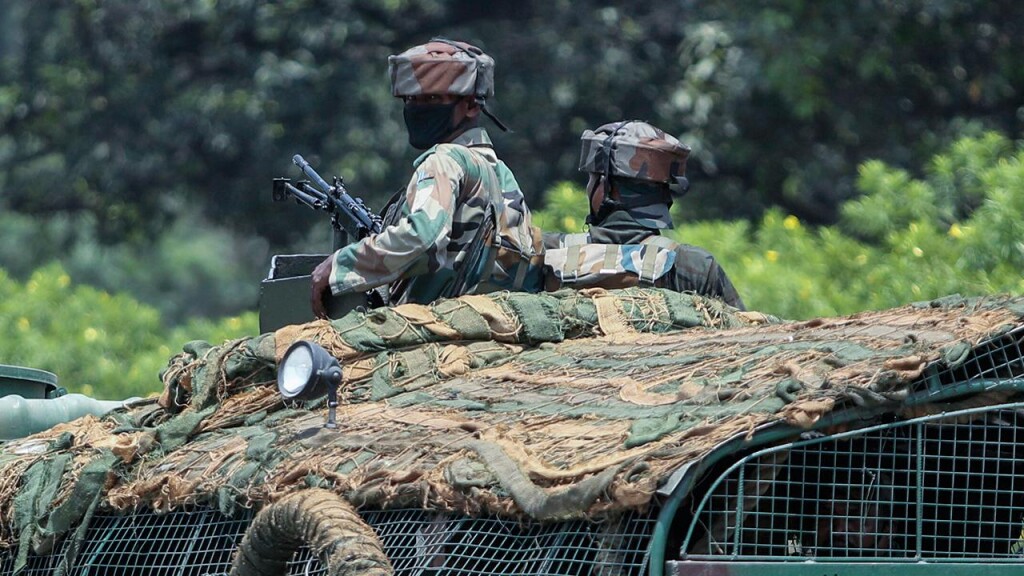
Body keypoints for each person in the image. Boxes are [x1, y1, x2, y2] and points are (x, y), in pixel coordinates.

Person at [310, 39, 542, 318]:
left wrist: (339, 266)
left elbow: (421, 239)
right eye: (411, 99)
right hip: (489, 320)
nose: (418, 108)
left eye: (432, 99)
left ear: (471, 105)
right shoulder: (499, 173)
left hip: (437, 325)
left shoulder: (443, 160)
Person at [542, 120, 745, 309]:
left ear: (605, 185)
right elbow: (743, 330)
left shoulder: (546, 253)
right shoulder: (694, 266)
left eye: (592, 179)